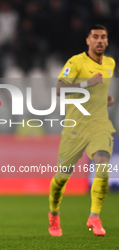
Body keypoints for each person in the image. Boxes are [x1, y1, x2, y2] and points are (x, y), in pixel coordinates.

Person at [48, 24, 115, 237]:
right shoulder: (76, 62)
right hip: (75, 128)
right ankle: (54, 215)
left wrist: (105, 98)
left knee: (103, 165)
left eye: (103, 37)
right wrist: (88, 83)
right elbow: (59, 89)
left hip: (99, 126)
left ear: (106, 40)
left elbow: (99, 91)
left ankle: (94, 216)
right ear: (88, 40)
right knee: (60, 180)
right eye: (95, 37)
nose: (100, 40)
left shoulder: (110, 63)